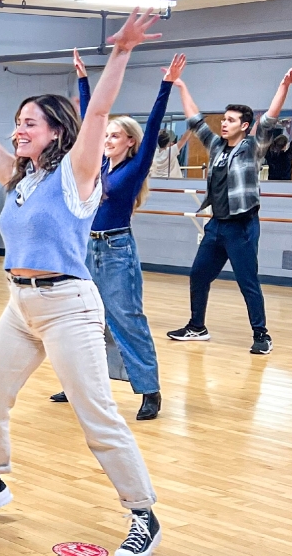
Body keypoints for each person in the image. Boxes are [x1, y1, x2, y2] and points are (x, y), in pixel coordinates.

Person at [0, 9, 164, 556]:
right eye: (18, 122)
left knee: (97, 416)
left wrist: (123, 51)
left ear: (58, 131)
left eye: (30, 123)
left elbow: (102, 111)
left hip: (69, 305)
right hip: (21, 304)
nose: (19, 130)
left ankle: (143, 514)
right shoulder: (20, 177)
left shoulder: (77, 173)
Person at [50, 53, 185, 421]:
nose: (107, 139)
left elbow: (156, 122)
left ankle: (149, 391)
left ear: (129, 141)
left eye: (114, 135)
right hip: (83, 249)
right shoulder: (97, 162)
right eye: (105, 134)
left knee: (126, 319)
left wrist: (167, 85)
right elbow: (87, 124)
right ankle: (76, 384)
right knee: (80, 320)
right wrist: (82, 80)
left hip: (115, 250)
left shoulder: (136, 166)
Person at [166, 61, 292, 355]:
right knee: (198, 275)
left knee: (247, 282)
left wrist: (285, 84)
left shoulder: (252, 147)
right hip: (216, 225)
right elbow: (195, 121)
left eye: (231, 120)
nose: (224, 123)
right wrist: (179, 85)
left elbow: (270, 119)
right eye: (224, 119)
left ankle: (262, 334)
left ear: (244, 126)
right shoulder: (217, 147)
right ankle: (197, 326)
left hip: (242, 227)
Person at [264, 112, 292, 181]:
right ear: (285, 146)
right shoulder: (287, 156)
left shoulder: (269, 155)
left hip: (271, 185)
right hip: (285, 186)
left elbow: (264, 138)